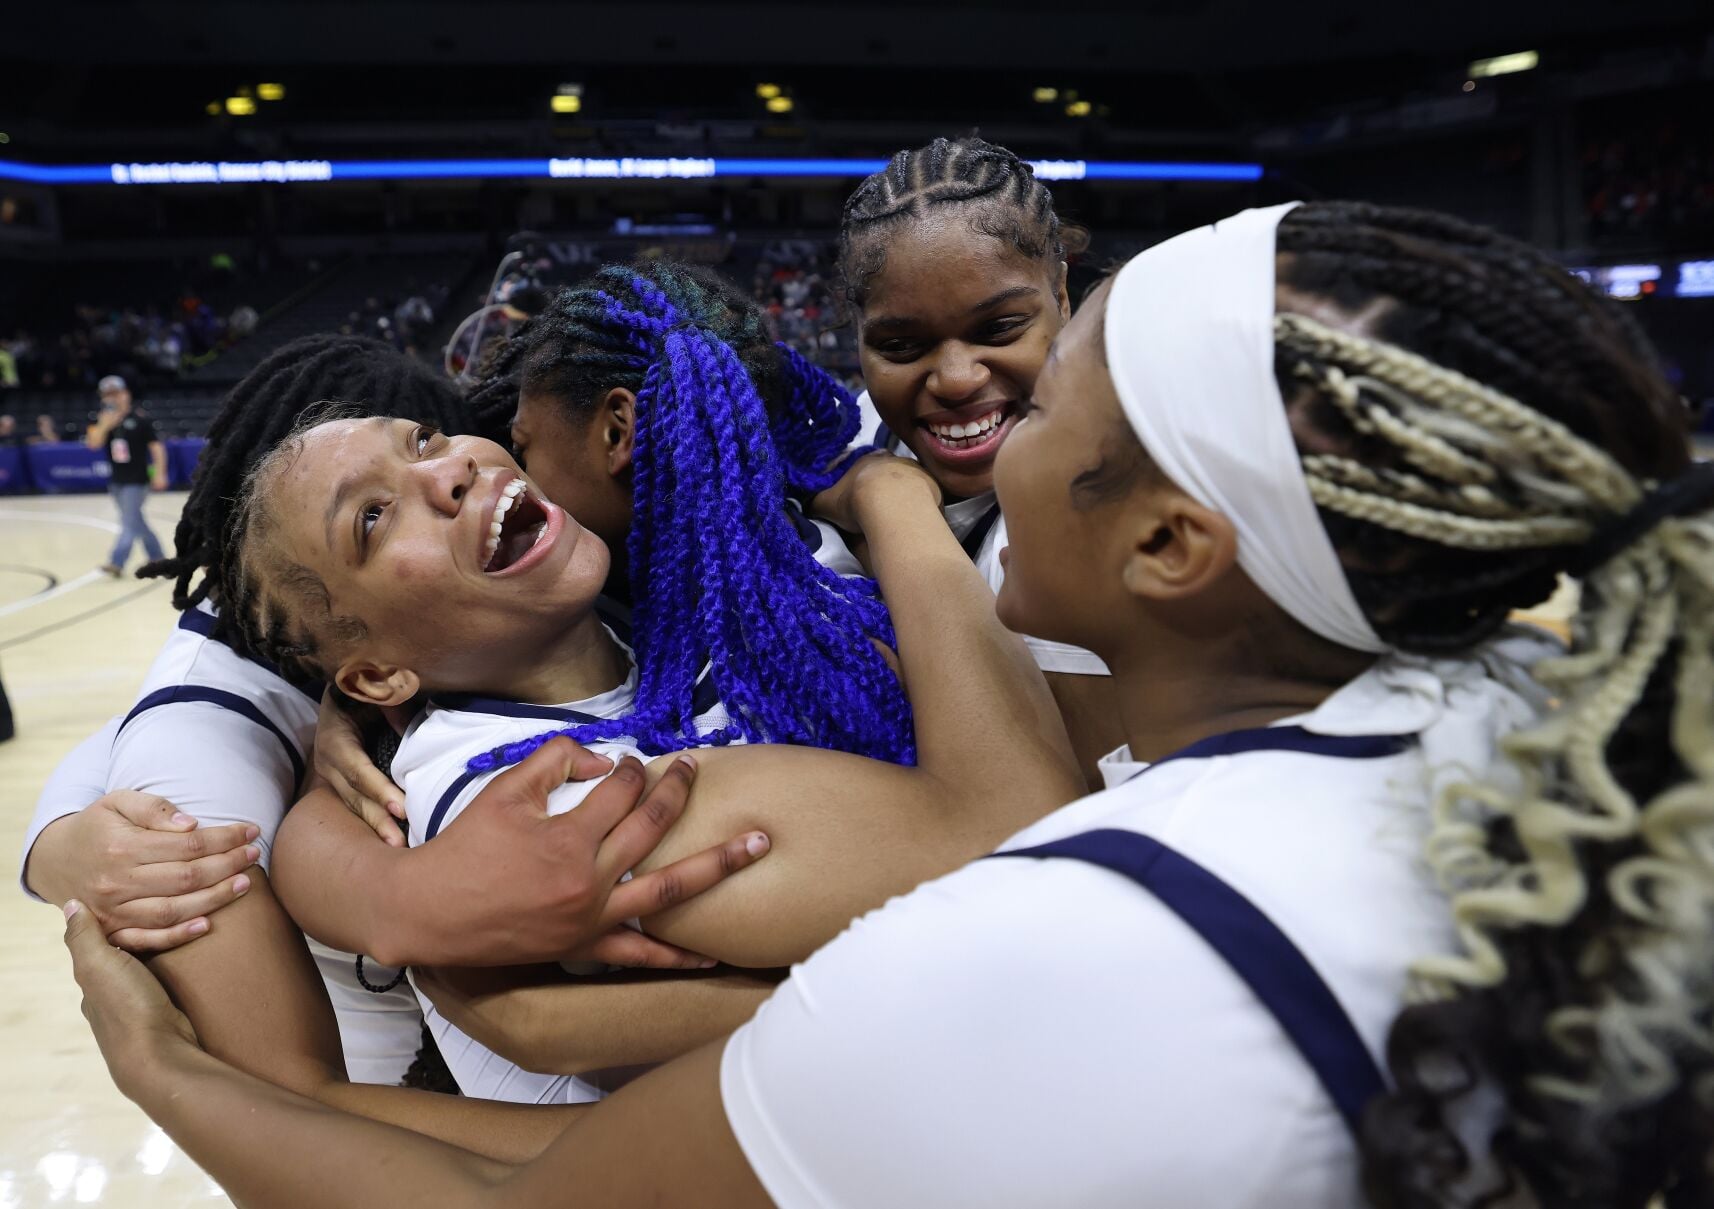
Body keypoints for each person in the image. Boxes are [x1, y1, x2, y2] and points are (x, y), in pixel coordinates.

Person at [65, 200, 1714, 1208]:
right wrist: (243, 846)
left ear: (1169, 539)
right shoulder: (532, 791)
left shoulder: (790, 636)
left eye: (1044, 371)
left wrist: (594, 1007)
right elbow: (208, 717)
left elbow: (1006, 848)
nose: (952, 416)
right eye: (382, 505)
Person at [22, 336, 764, 1160]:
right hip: (418, 1115)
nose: (452, 474)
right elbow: (282, 1101)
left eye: (428, 440)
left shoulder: (601, 576)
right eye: (370, 515)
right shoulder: (224, 722)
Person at [839, 136, 1123, 786]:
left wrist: (884, 500)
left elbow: (1062, 804)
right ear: (856, 334)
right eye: (902, 344)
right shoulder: (852, 433)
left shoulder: (1115, 504)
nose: (958, 378)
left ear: (1062, 294)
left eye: (999, 329)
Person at [86, 374, 168, 576]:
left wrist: (160, 473)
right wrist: (106, 423)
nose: (112, 398)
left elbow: (157, 449)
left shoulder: (140, 420)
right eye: (107, 395)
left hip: (137, 480)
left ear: (126, 394)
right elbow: (93, 444)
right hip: (116, 482)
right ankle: (158, 558)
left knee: (128, 522)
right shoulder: (101, 419)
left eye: (116, 393)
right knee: (136, 520)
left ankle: (117, 562)